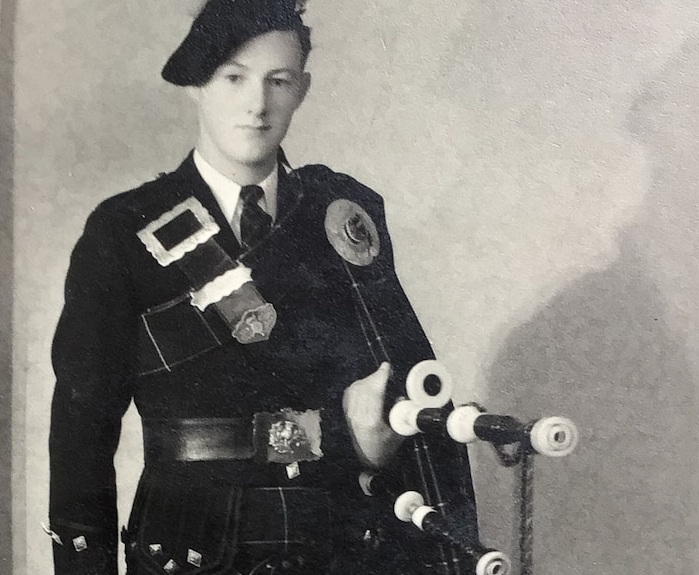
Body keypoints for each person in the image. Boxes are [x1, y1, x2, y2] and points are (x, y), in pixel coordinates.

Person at [48, 1, 478, 573]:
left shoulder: (341, 213)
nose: (257, 105)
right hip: (191, 544)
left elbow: (398, 373)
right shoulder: (124, 229)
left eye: (278, 81)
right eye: (234, 78)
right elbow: (82, 434)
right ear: (198, 86)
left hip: (337, 540)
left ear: (301, 88)